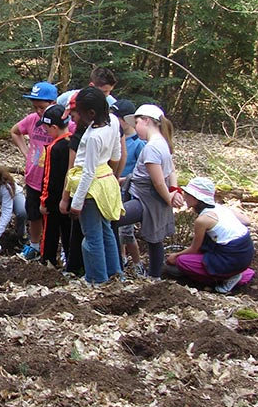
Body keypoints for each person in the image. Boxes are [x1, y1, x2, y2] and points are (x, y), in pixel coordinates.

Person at [61, 87, 124, 284]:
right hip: (106, 179)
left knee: (92, 237)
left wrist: (76, 203)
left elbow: (88, 172)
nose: (76, 117)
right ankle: (115, 274)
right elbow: (116, 154)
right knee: (106, 231)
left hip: (91, 188)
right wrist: (109, 174)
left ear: (91, 113)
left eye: (78, 113)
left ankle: (96, 278)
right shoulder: (113, 121)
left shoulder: (94, 136)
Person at [115, 104, 184, 280]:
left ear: (146, 121)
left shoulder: (152, 147)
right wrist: (174, 191)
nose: (135, 127)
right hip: (151, 197)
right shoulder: (163, 143)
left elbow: (158, 180)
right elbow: (171, 172)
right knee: (155, 239)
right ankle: (155, 276)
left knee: (112, 219)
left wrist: (169, 196)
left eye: (137, 122)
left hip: (145, 199)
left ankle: (116, 267)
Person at [11, 81, 74, 261]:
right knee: (34, 214)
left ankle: (62, 251)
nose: (38, 111)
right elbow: (15, 131)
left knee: (57, 217)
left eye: (41, 106)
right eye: (35, 107)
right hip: (34, 176)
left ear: (53, 103)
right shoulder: (33, 120)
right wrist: (26, 153)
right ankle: (35, 245)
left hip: (55, 180)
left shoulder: (64, 123)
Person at [165, 177, 256, 293]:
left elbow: (194, 249)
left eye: (187, 194)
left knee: (182, 262)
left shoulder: (203, 220)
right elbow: (246, 221)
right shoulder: (220, 208)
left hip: (230, 257)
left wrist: (175, 256)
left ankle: (225, 277)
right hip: (244, 253)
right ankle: (238, 272)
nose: (184, 196)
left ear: (197, 198)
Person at [113, 99, 146, 276]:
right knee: (115, 229)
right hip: (114, 190)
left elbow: (142, 172)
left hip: (128, 193)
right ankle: (121, 259)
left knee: (126, 232)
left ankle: (137, 262)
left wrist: (122, 179)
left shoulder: (140, 144)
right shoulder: (116, 138)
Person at [38, 104, 72, 268]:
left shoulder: (53, 148)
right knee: (68, 231)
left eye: (46, 128)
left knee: (50, 232)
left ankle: (48, 260)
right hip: (69, 196)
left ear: (54, 127)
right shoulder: (73, 142)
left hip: (54, 199)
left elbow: (48, 177)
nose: (45, 131)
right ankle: (71, 262)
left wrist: (44, 201)